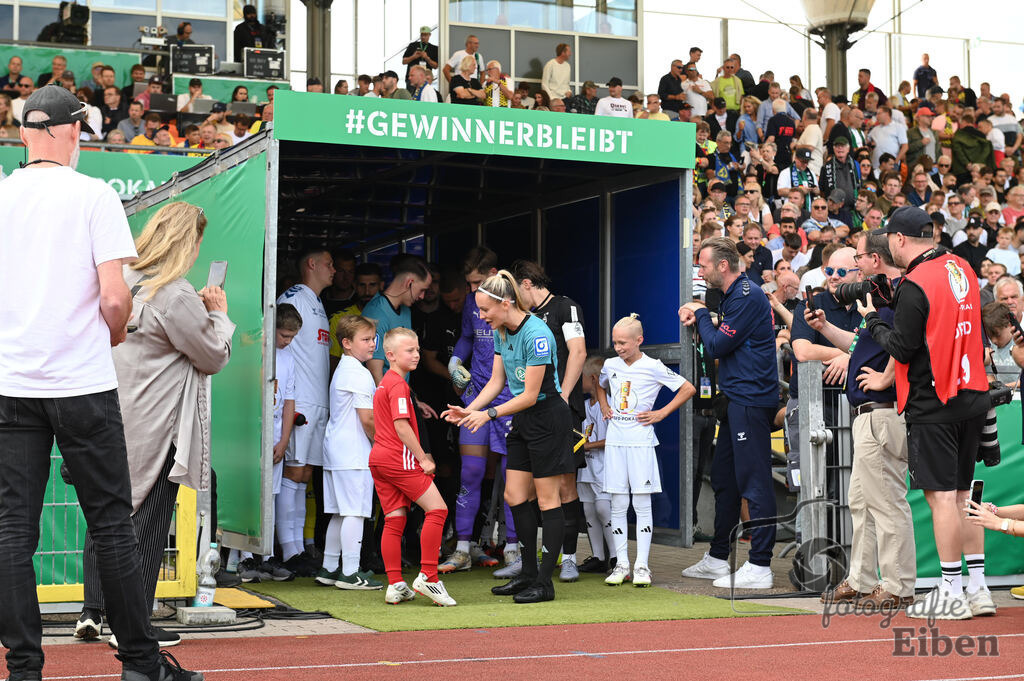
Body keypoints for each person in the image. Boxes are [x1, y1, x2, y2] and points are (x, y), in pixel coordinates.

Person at [0, 83, 203, 681]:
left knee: (14, 528)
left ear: (27, 134)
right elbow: (116, 298)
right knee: (111, 521)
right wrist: (109, 336)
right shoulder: (93, 196)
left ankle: (24, 668)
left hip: (13, 382)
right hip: (82, 383)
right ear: (68, 132)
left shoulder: (3, 197)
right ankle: (141, 664)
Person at [78, 201, 234, 649]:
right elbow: (213, 355)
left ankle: (99, 612)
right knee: (145, 528)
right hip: (158, 424)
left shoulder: (121, 278)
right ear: (191, 241)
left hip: (106, 414)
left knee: (106, 519)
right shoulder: (175, 292)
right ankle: (135, 630)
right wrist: (218, 312)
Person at [863, 207, 993, 620]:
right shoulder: (964, 267)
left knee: (942, 499)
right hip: (972, 393)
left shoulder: (915, 282)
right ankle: (978, 588)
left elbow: (902, 347)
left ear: (899, 240)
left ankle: (951, 591)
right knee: (963, 496)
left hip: (935, 400)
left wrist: (872, 321)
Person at [443, 271, 576, 604]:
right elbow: (495, 383)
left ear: (506, 303)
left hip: (547, 418)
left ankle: (544, 583)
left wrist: (486, 415)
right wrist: (468, 409)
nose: (482, 317)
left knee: (547, 501)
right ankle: (527, 573)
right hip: (523, 421)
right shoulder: (501, 330)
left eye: (486, 310)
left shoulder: (538, 333)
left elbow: (531, 394)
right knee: (516, 496)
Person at [810, 232, 917, 608]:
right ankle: (861, 579)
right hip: (867, 415)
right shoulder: (879, 297)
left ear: (875, 258)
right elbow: (859, 347)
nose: (855, 266)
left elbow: (909, 342)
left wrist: (886, 378)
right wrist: (824, 326)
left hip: (881, 412)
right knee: (862, 502)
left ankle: (899, 586)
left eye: (858, 258)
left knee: (886, 501)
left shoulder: (899, 293)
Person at [680, 237, 779, 589]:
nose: (701, 271)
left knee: (755, 481)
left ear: (723, 265)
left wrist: (703, 314)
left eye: (704, 264)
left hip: (752, 400)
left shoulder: (747, 294)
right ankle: (718, 557)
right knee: (724, 479)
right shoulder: (734, 295)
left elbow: (719, 343)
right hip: (736, 399)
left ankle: (761, 565)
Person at [597, 315, 695, 586]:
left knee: (641, 503)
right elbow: (600, 383)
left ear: (639, 340)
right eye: (615, 342)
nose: (618, 348)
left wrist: (661, 413)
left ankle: (642, 565)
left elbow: (688, 388)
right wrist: (603, 405)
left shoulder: (653, 366)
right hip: (615, 443)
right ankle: (621, 565)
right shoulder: (610, 364)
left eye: (623, 343)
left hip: (641, 444)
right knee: (617, 504)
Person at [511, 260, 588, 581]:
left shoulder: (565, 308)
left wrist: (563, 395)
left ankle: (568, 558)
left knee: (565, 485)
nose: (514, 300)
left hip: (560, 411)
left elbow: (579, 352)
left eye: (517, 291)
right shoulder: (524, 318)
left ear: (527, 284)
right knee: (524, 490)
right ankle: (530, 560)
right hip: (530, 412)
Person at [442, 248, 517, 574]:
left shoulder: (512, 306)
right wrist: (456, 360)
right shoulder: (472, 304)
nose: (472, 291)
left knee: (510, 477)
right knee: (470, 473)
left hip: (510, 400)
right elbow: (467, 338)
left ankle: (513, 547)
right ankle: (462, 549)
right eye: (469, 284)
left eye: (477, 282)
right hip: (476, 395)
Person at [371, 328, 455, 606]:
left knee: (394, 520)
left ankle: (396, 584)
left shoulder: (386, 382)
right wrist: (424, 458)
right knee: (438, 509)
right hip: (398, 459)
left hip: (380, 458)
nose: (417, 354)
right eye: (410, 350)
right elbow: (402, 426)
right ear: (391, 355)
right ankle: (429, 578)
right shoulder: (398, 385)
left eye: (417, 349)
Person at [276, 250, 334, 572]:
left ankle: (299, 548)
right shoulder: (294, 298)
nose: (335, 270)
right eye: (329, 264)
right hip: (302, 401)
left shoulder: (316, 302)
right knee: (293, 473)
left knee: (305, 476)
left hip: (318, 400)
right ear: (311, 264)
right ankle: (289, 550)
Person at [316, 315, 384, 590]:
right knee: (354, 512)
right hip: (352, 453)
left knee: (339, 513)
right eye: (365, 340)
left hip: (336, 450)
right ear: (346, 343)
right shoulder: (358, 373)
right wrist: (383, 445)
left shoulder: (346, 369)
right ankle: (351, 572)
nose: (371, 345)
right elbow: (367, 419)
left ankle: (330, 567)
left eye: (373, 339)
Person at [575, 355, 617, 573]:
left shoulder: (608, 407)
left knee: (603, 508)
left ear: (593, 378)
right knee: (589, 509)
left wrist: (586, 447)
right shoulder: (582, 406)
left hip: (603, 467)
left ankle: (616, 557)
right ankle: (598, 557)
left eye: (581, 376)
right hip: (586, 468)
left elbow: (612, 440)